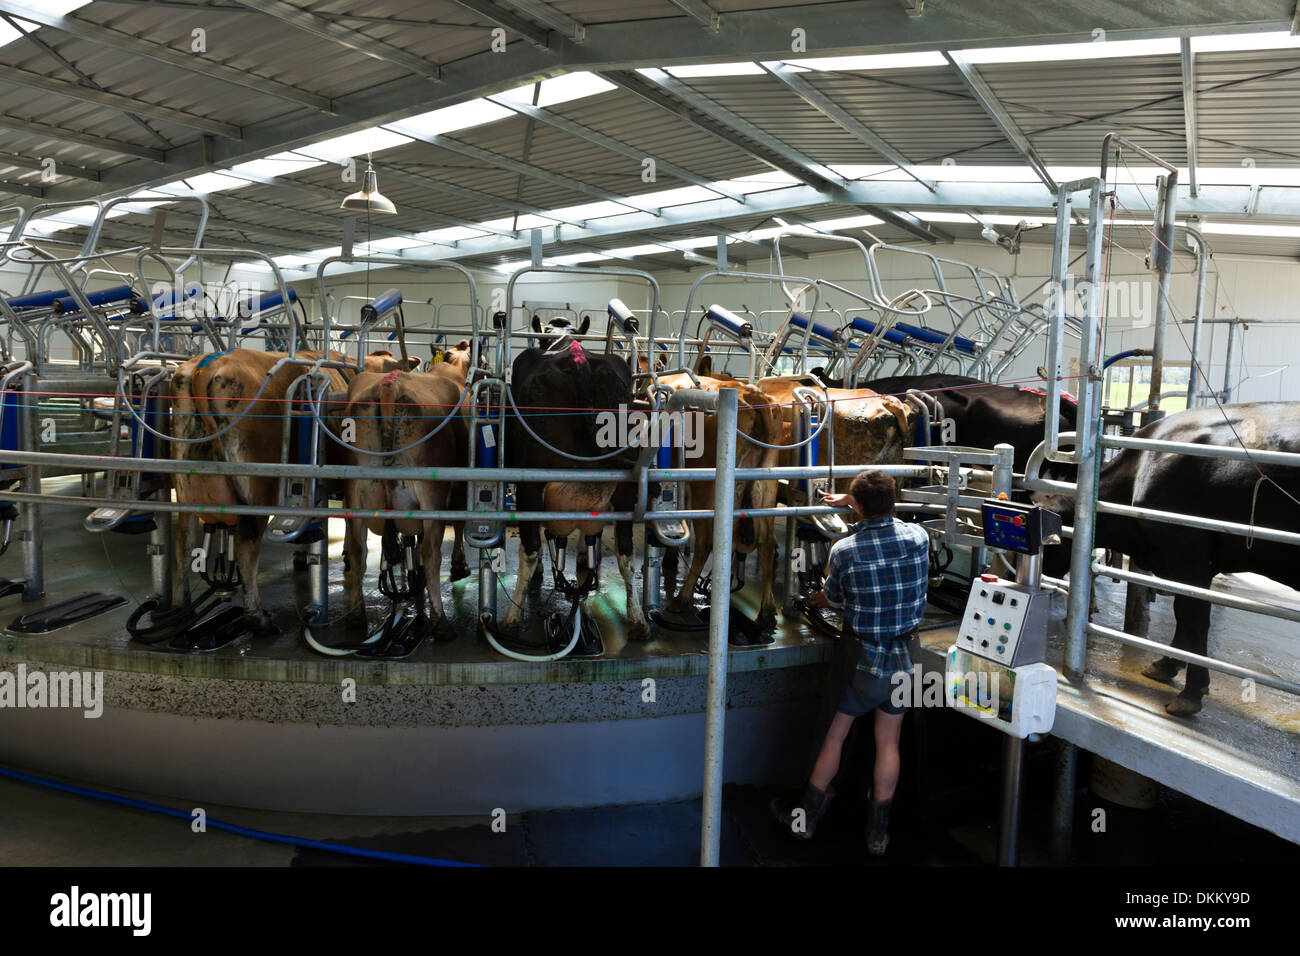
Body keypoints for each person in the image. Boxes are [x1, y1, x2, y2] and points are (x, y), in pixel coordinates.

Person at [771, 469, 929, 855]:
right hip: (904, 657)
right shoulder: (919, 538)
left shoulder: (845, 550)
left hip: (861, 658)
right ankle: (878, 836)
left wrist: (812, 600)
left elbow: (835, 598)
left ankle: (805, 820)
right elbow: (889, 521)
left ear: (858, 506)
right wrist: (855, 502)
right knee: (888, 743)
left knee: (835, 734)